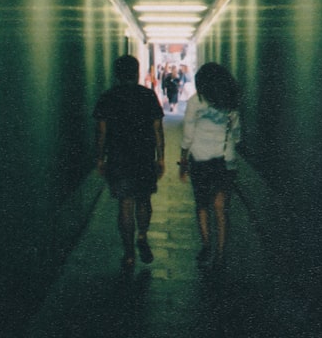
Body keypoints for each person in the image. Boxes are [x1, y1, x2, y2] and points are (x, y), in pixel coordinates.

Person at [94, 55, 166, 270]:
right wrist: (160, 156)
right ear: (136, 73)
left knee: (125, 203)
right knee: (143, 200)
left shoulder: (108, 97)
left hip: (118, 157)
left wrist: (99, 158)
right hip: (143, 156)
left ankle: (128, 254)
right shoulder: (148, 95)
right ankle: (142, 235)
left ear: (116, 74)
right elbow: (157, 129)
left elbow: (101, 131)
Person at [178, 62, 241, 271]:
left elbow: (188, 134)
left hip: (201, 160)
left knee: (202, 205)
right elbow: (237, 133)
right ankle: (221, 254)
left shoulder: (196, 101)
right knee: (221, 209)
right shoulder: (229, 102)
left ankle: (206, 245)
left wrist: (183, 159)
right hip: (225, 160)